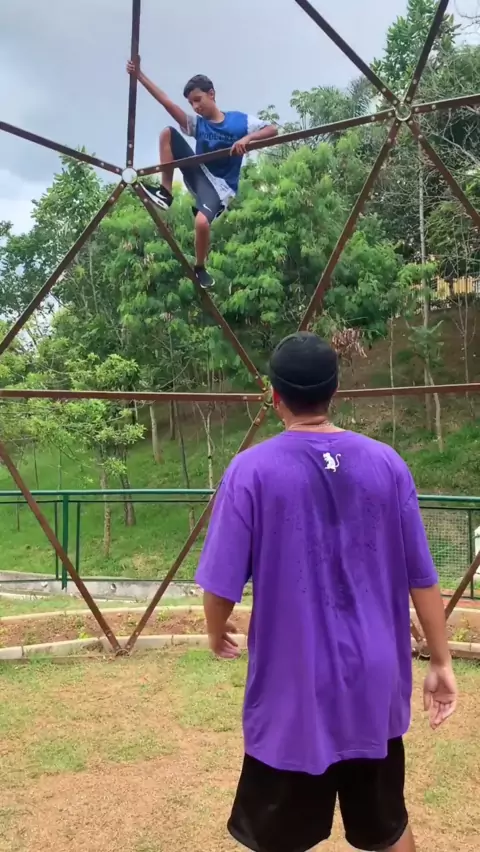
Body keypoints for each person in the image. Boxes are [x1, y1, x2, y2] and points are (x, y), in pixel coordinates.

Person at [195, 331, 458, 852]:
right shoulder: (387, 463)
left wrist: (215, 629)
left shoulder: (251, 470)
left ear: (275, 396)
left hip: (292, 689)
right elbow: (422, 575)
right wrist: (442, 660)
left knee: (277, 839)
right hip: (374, 684)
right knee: (388, 826)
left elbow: (220, 584)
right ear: (334, 391)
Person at [126, 61, 278, 289]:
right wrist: (140, 76)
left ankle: (200, 267)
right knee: (167, 133)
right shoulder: (199, 125)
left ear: (211, 94)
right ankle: (165, 192)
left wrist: (247, 139)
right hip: (199, 175)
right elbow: (167, 102)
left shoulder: (239, 122)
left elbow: (272, 129)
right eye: (191, 103)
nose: (195, 107)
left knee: (201, 222)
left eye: (198, 100)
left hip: (220, 188)